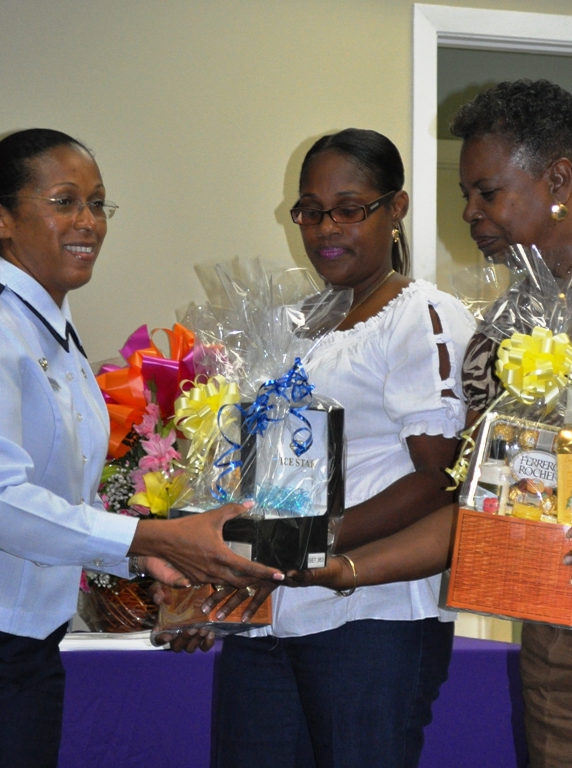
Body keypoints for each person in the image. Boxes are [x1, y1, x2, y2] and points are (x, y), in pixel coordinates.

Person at [295, 80, 572, 768]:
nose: (468, 212)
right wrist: (347, 568)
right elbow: (478, 510)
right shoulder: (497, 334)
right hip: (564, 641)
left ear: (556, 178)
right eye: (467, 194)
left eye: (486, 192)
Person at [0, 128, 283, 768]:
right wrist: (154, 539)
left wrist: (148, 563)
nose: (89, 222)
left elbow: (53, 504)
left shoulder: (56, 335)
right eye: (65, 201)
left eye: (99, 204)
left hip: (23, 643)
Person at [208, 128, 475, 768]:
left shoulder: (422, 315)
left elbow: (440, 477)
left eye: (350, 209)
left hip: (371, 618)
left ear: (396, 209)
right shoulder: (289, 324)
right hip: (271, 608)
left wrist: (321, 543)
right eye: (310, 210)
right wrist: (221, 562)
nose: (327, 228)